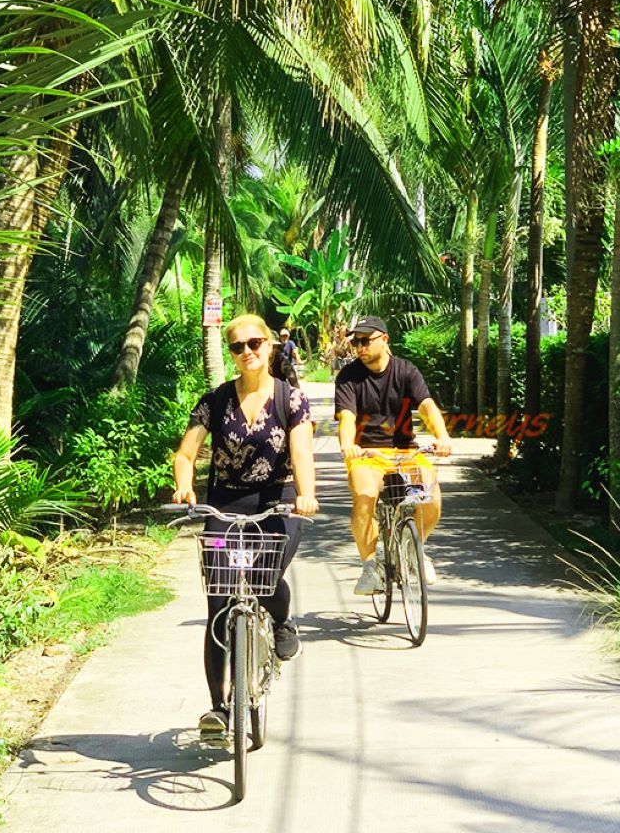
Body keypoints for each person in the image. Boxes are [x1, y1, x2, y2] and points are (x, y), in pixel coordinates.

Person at [173, 314, 318, 742]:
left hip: (278, 502)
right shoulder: (215, 401)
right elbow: (186, 453)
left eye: (255, 343)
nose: (247, 351)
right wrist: (185, 486)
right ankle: (218, 709)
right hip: (224, 505)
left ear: (270, 346)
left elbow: (302, 451)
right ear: (232, 354)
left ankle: (282, 621)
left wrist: (305, 494)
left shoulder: (291, 399)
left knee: (262, 574)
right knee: (219, 602)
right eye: (237, 346)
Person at [334, 315, 452, 595]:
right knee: (365, 494)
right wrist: (348, 445)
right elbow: (347, 417)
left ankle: (414, 547)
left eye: (365, 340)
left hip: (404, 450)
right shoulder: (349, 376)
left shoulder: (406, 370)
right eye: (355, 342)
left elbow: (426, 406)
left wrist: (442, 435)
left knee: (431, 496)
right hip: (366, 452)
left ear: (384, 340)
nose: (359, 347)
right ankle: (370, 567)